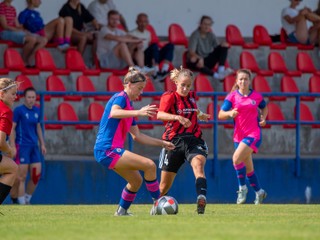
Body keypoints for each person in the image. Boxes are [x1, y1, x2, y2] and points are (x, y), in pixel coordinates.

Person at [93, 67, 175, 216]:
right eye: (139, 88)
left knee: (136, 180)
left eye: (142, 88)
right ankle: (158, 205)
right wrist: (139, 112)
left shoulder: (129, 106)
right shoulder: (121, 98)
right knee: (149, 165)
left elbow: (138, 136)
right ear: (129, 84)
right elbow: (114, 112)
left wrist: (162, 143)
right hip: (107, 149)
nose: (141, 92)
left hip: (109, 150)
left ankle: (121, 212)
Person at [156, 66, 210, 214]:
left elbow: (193, 110)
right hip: (174, 142)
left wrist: (201, 115)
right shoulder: (170, 97)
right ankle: (156, 208)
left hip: (194, 140)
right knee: (163, 187)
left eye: (188, 85)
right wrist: (177, 117)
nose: (186, 88)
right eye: (183, 85)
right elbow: (160, 115)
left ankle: (201, 198)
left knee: (198, 165)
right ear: (176, 83)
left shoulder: (192, 97)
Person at [218, 69, 268, 205]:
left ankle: (242, 189)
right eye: (240, 79)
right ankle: (260, 192)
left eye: (246, 79)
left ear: (249, 81)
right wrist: (230, 113)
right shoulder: (232, 97)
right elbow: (220, 114)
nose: (243, 81)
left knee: (235, 159)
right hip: (238, 137)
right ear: (236, 81)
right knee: (249, 170)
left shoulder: (256, 96)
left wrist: (264, 118)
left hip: (254, 134)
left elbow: (264, 107)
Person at [9, 87, 46, 205]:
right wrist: (12, 146)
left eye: (33, 97)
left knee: (36, 175)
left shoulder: (37, 110)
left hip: (34, 147)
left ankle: (26, 199)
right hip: (22, 146)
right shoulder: (19, 111)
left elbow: (38, 127)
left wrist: (42, 144)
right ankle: (20, 203)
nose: (31, 99)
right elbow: (12, 128)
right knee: (21, 177)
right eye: (29, 97)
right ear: (24, 98)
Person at [129, 13, 174, 81]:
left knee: (170, 46)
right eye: (141, 21)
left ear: (148, 23)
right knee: (154, 46)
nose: (143, 24)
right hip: (139, 59)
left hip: (150, 58)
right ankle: (155, 71)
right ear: (137, 22)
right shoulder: (132, 33)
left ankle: (164, 70)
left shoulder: (148, 33)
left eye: (145, 22)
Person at [0, 0, 47, 66]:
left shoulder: (12, 8)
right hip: (4, 32)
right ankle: (24, 61)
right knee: (31, 39)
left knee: (43, 40)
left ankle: (31, 57)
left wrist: (23, 30)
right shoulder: (1, 7)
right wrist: (17, 30)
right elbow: (4, 26)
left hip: (14, 31)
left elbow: (17, 25)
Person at [186, 15, 233, 81]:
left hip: (207, 60)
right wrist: (199, 58)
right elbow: (191, 52)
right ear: (200, 24)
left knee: (224, 46)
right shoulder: (195, 35)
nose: (207, 26)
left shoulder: (211, 35)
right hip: (196, 60)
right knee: (194, 59)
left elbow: (217, 48)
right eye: (205, 24)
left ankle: (221, 71)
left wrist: (222, 45)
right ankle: (218, 76)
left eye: (209, 25)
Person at [0, 77, 18, 205]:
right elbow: (0, 142)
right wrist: (9, 150)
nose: (15, 97)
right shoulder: (6, 112)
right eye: (12, 94)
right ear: (2, 94)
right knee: (13, 169)